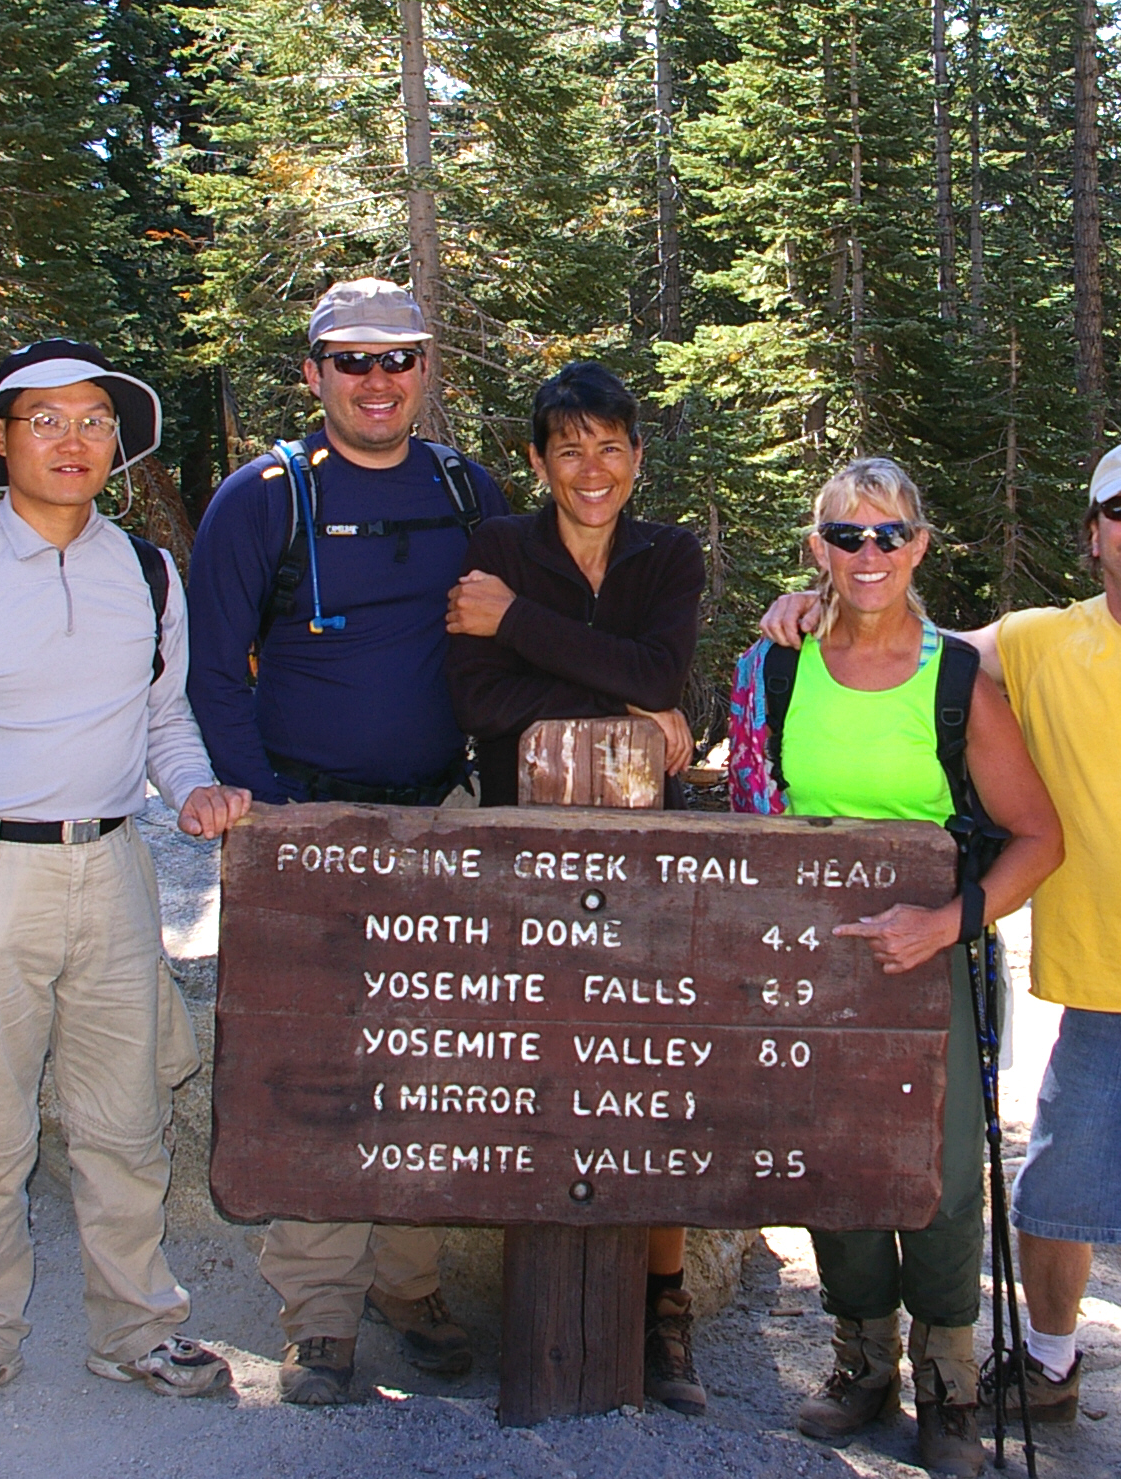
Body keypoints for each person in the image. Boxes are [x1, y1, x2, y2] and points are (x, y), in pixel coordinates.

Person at [763, 441, 1121, 1478]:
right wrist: (807, 602)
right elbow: (905, 636)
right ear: (1092, 532)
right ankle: (1044, 1367)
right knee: (1058, 1204)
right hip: (1097, 990)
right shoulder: (1035, 645)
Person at [0, 340, 251, 1418]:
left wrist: (195, 792)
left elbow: (165, 722)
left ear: (117, 442)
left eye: (93, 421)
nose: (73, 442)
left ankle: (139, 1333)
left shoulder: (147, 572)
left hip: (113, 872)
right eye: (46, 421)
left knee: (124, 1125)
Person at [186, 278, 510, 1404]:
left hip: (439, 814)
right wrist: (272, 819)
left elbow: (531, 628)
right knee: (313, 1074)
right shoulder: (258, 500)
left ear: (427, 368)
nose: (379, 381)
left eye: (400, 358)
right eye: (353, 360)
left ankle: (409, 1279)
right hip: (304, 824)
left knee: (433, 1065)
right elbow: (213, 676)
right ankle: (319, 1314)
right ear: (313, 371)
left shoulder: (469, 488)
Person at [731, 458, 1063, 1475]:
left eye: (887, 535)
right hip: (811, 963)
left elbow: (1038, 836)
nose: (865, 554)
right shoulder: (773, 665)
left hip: (936, 964)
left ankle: (948, 1385)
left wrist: (946, 922)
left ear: (918, 546)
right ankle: (860, 1359)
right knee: (835, 1168)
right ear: (814, 547)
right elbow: (750, 800)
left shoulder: (956, 675)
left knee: (941, 1174)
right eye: (844, 535)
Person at [443, 360, 710, 1413]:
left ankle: (664, 1308)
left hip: (639, 865)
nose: (589, 469)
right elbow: (479, 706)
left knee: (645, 1080)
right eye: (567, 448)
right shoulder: (495, 550)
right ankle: (537, 1311)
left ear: (637, 457)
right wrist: (620, 686)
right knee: (535, 1078)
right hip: (523, 860)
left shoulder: (666, 554)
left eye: (609, 446)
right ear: (535, 462)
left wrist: (515, 623)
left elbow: (663, 678)